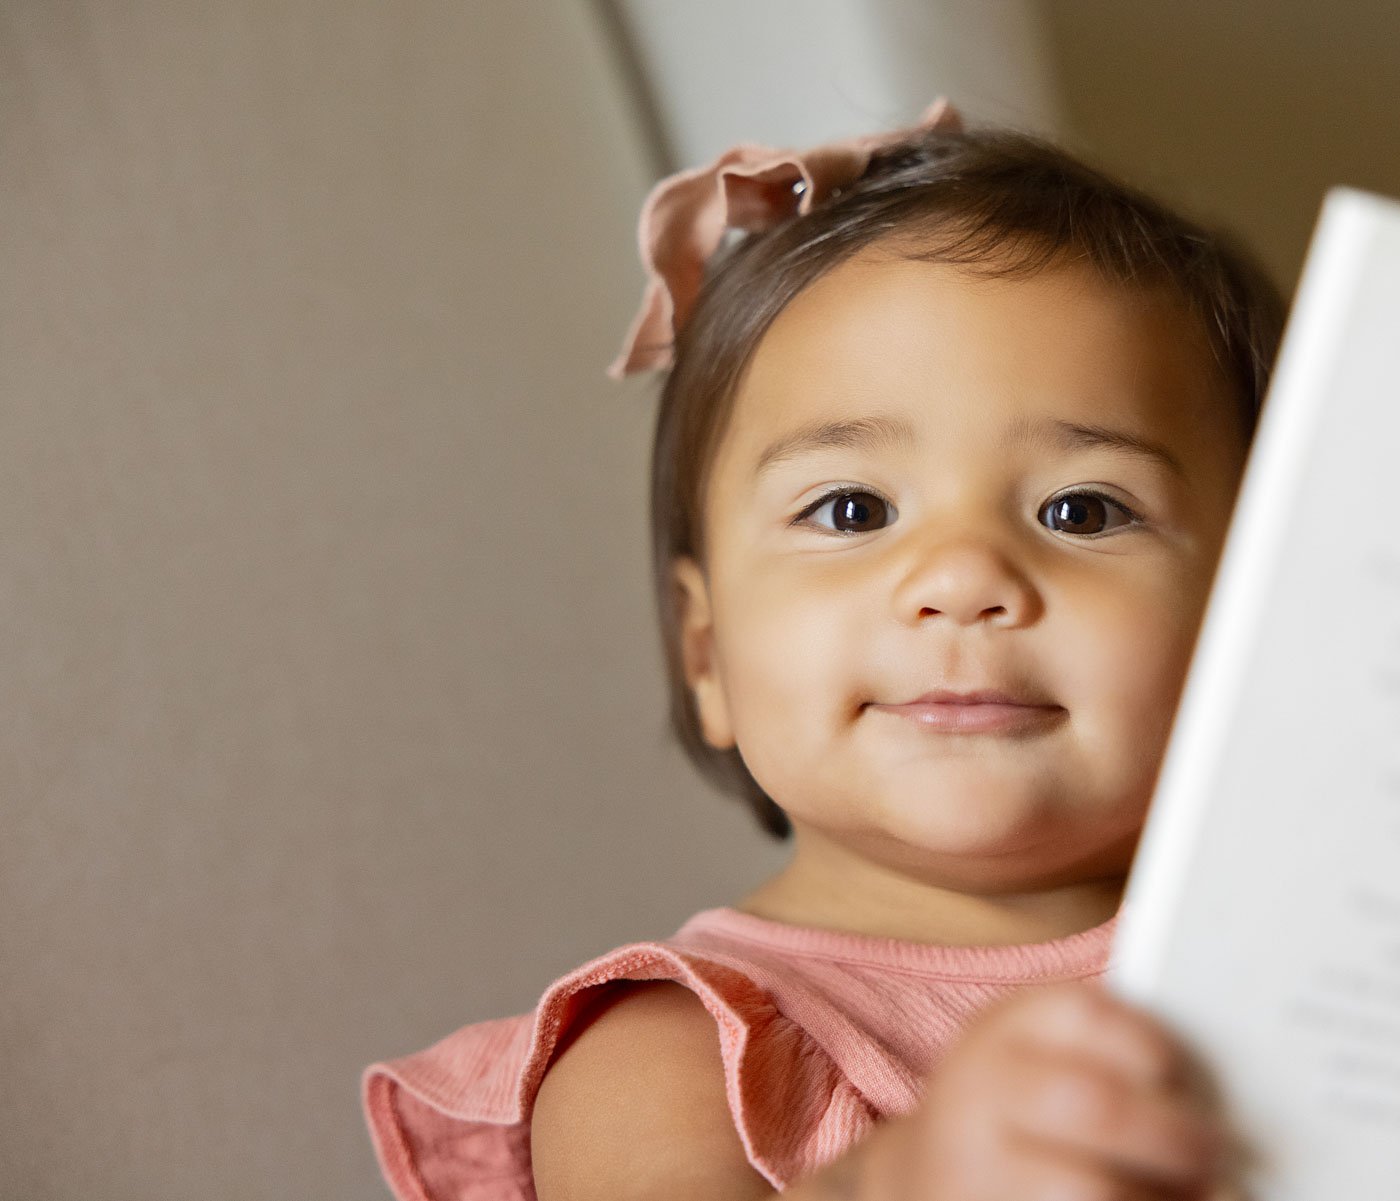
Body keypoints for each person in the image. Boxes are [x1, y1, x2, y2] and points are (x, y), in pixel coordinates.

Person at [362, 98, 1286, 1201]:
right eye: (851, 509)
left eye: (1083, 510)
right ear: (707, 654)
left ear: (1259, 611)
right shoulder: (670, 1056)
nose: (962, 578)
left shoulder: (1306, 957)